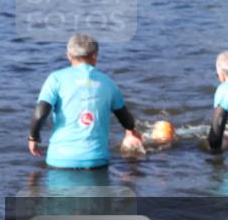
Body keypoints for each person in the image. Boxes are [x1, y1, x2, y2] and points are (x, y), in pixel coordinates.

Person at [28, 34, 144, 168]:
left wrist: (33, 138)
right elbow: (125, 118)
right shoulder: (108, 83)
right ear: (95, 56)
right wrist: (131, 131)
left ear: (69, 55)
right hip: (96, 161)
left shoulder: (55, 79)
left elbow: (40, 114)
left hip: (59, 160)